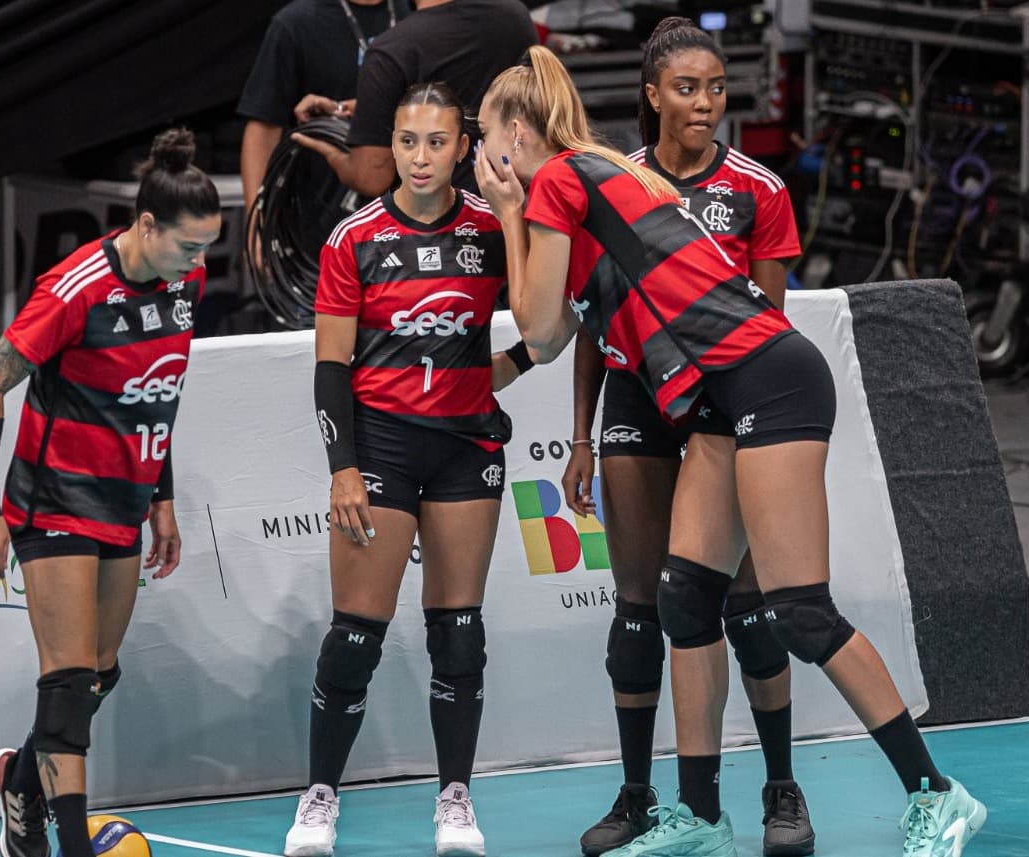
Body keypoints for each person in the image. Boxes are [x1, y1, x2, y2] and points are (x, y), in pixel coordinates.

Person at [475, 45, 987, 857]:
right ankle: (702, 817)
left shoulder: (562, 177)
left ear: (512, 135)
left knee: (799, 611)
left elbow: (536, 323)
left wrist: (507, 210)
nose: (476, 155)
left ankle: (938, 793)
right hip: (718, 398)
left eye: (480, 137)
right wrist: (492, 375)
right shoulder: (604, 173)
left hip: (772, 384)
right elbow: (564, 327)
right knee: (683, 601)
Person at [558, 18, 811, 857]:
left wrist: (755, 423)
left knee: (748, 608)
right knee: (637, 612)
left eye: (715, 88)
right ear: (651, 93)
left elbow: (766, 326)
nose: (705, 104)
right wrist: (580, 437)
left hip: (725, 409)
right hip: (636, 397)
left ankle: (780, 786)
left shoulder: (758, 189)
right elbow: (592, 320)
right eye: (687, 88)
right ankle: (638, 797)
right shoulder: (610, 183)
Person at [282, 82, 536, 857]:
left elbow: (549, 320)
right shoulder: (352, 239)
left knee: (459, 635)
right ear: (388, 146)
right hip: (381, 448)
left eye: (436, 142)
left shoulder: (493, 230)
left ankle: (454, 799)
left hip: (466, 448)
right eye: (406, 142)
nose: (420, 158)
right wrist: (343, 467)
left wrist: (509, 366)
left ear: (464, 147)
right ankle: (320, 794)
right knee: (354, 636)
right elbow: (331, 368)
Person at [0, 130, 222, 857]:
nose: (199, 262)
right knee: (65, 685)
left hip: (124, 498)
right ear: (145, 226)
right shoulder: (73, 289)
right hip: (53, 499)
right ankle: (70, 848)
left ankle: (21, 782)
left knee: (98, 672)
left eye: (207, 248)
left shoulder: (185, 283)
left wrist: (163, 496)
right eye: (188, 246)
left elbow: (157, 393)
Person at [293, 0, 537, 197]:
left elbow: (371, 176)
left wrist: (329, 152)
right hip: (516, 208)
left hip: (440, 227)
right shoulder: (514, 16)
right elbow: (473, 84)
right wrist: (369, 106)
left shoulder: (391, 51)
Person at [237, 0, 411, 227]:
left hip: (407, 220)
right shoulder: (296, 23)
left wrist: (370, 107)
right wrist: (255, 225)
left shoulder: (415, 13)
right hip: (318, 222)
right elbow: (263, 129)